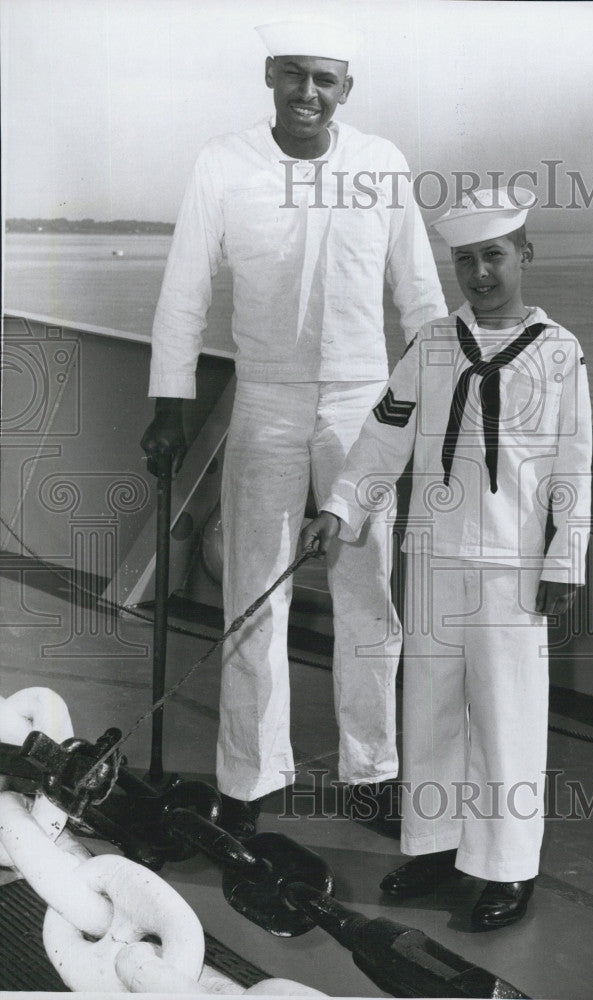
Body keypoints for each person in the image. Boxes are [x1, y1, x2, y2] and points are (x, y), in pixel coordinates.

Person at [140, 14, 446, 838]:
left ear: (348, 89)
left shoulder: (381, 165)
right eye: (294, 74)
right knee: (253, 592)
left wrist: (445, 403)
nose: (307, 92)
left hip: (362, 402)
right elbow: (185, 289)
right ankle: (249, 777)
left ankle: (373, 772)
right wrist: (169, 404)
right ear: (269, 74)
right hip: (266, 398)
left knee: (367, 592)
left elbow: (418, 294)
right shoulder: (223, 163)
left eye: (325, 79)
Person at [301, 187, 592, 929]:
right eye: (465, 261)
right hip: (433, 558)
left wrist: (564, 561)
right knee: (429, 712)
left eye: (493, 255)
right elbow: (383, 436)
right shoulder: (432, 346)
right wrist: (340, 508)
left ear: (525, 254)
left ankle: (507, 867)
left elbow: (573, 467)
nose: (480, 273)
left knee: (507, 718)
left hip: (512, 567)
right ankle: (434, 848)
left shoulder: (558, 351)